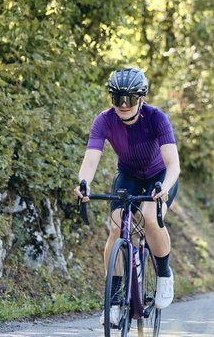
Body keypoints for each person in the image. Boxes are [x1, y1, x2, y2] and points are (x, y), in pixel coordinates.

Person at [75, 67, 180, 324]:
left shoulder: (156, 118)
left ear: (141, 98)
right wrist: (84, 183)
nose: (123, 105)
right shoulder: (104, 120)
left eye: (130, 99)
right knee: (115, 227)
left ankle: (164, 274)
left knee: (150, 218)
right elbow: (90, 160)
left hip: (159, 175)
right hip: (129, 175)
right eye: (118, 99)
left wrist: (164, 187)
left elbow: (173, 164)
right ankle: (115, 300)